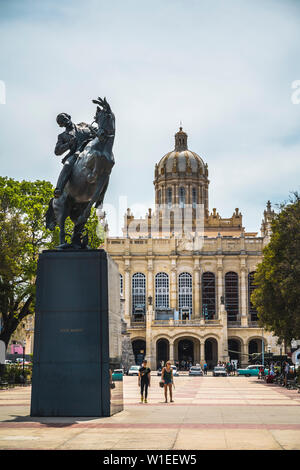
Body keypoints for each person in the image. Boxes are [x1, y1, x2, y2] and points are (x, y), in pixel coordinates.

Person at [53, 113, 96, 198]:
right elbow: (57, 151)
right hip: (75, 155)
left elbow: (96, 130)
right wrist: (69, 144)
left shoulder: (84, 125)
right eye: (62, 122)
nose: (65, 122)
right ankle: (59, 188)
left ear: (69, 117)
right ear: (61, 125)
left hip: (89, 151)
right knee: (67, 164)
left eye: (65, 119)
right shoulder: (62, 136)